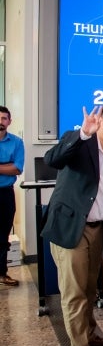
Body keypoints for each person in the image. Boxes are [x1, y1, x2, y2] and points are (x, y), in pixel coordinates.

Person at [41, 103, 103, 346]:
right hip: (71, 227)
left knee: (90, 288)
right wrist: (82, 135)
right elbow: (51, 159)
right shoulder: (79, 141)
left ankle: (89, 333)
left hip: (96, 228)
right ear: (99, 120)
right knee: (75, 293)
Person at [0, 106, 24, 288]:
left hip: (5, 194)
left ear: (9, 121)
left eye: (4, 118)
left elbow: (17, 168)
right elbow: (9, 167)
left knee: (3, 235)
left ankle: (2, 273)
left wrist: (9, 167)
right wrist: (4, 166)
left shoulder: (16, 142)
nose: (1, 122)